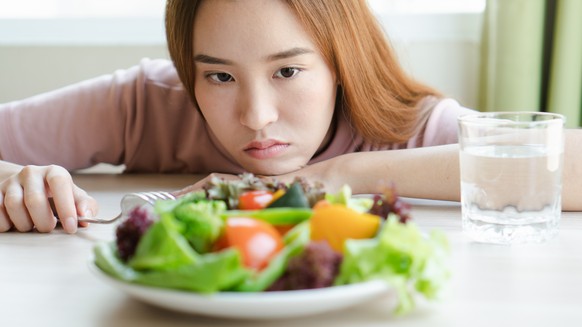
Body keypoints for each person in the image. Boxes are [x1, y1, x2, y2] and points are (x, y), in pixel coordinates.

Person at [1, 0, 580, 234]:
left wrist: (339, 176)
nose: (256, 116)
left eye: (288, 72)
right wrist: (9, 179)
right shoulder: (149, 100)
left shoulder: (402, 128)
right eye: (219, 76)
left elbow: (565, 161)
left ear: (340, 63)